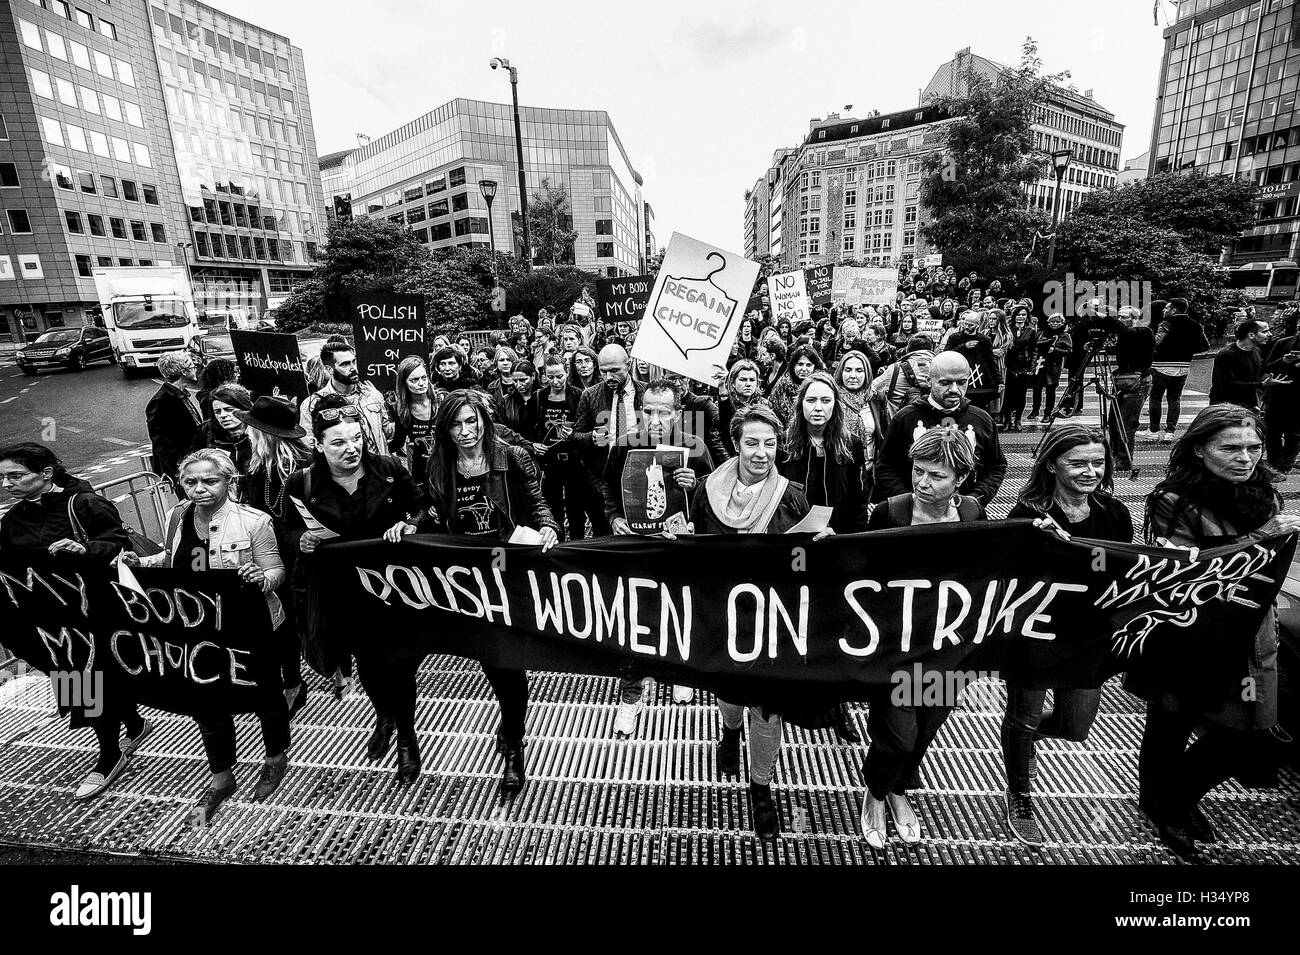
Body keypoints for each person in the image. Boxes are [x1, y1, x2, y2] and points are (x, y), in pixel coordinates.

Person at [1132, 404, 1299, 857]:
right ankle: (1161, 804)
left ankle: (1175, 797)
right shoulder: (1173, 499)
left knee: (1251, 730)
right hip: (1188, 631)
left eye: (1253, 447)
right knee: (1169, 724)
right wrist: (1261, 536)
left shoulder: (1268, 493)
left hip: (1251, 632)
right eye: (1230, 448)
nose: (1245, 458)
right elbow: (1183, 572)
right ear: (1200, 449)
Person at [120, 448, 291, 823]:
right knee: (205, 700)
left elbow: (277, 569)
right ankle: (221, 776)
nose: (199, 489)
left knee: (265, 694)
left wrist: (262, 579)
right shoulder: (177, 515)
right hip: (196, 629)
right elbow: (170, 557)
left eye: (210, 481)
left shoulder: (253, 521)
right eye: (190, 481)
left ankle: (276, 757)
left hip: (251, 625)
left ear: (230, 482)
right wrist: (141, 562)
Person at [688, 405, 832, 840]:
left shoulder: (793, 495)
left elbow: (804, 559)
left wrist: (823, 547)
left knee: (767, 707)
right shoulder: (703, 490)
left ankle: (761, 786)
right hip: (722, 616)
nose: (761, 453)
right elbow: (691, 549)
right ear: (735, 444)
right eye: (752, 442)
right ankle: (730, 732)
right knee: (729, 693)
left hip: (772, 619)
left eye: (770, 443)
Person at [285, 393, 430, 782]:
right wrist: (300, 539)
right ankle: (384, 714)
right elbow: (287, 527)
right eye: (338, 442)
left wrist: (410, 524)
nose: (351, 449)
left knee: (398, 664)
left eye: (356, 439)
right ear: (318, 445)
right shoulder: (302, 482)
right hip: (342, 590)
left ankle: (407, 738)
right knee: (367, 665)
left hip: (391, 586)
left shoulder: (388, 468)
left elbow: (420, 506)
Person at [1000, 425, 1133, 846]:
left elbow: (1124, 570)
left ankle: (1020, 737)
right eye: (1078, 463)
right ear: (1053, 464)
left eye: (1097, 462)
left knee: (1075, 726)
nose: (1090, 471)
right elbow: (1012, 576)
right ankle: (1019, 791)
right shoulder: (1028, 514)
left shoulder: (1114, 512)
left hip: (1088, 635)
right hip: (1036, 634)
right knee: (1023, 716)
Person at [425, 390, 559, 794]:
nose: (465, 432)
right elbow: (430, 509)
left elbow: (537, 503)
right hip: (466, 577)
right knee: (490, 660)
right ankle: (510, 720)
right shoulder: (438, 463)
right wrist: (408, 524)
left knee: (508, 664)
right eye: (455, 424)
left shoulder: (511, 456)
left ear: (483, 419)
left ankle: (514, 745)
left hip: (506, 567)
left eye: (471, 422)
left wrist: (549, 526)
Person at [0, 442, 150, 801]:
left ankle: (109, 756)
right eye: (3, 478)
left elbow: (117, 542)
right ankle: (133, 723)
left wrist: (86, 549)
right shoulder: (11, 519)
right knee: (73, 679)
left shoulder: (83, 503)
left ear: (46, 474)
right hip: (47, 620)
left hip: (95, 613)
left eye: (16, 476)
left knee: (93, 681)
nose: (7, 484)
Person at [860, 427, 985, 847]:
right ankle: (875, 792)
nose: (923, 483)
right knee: (898, 736)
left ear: (961, 479)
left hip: (949, 652)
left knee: (926, 731)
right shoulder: (891, 512)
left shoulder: (971, 513)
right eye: (918, 471)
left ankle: (896, 791)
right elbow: (859, 570)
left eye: (936, 475)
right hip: (893, 649)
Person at [602, 378, 715, 728]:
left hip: (680, 547)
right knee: (637, 615)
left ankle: (680, 671)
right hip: (637, 544)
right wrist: (614, 517)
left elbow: (715, 497)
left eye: (663, 413)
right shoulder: (624, 445)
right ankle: (631, 693)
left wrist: (695, 486)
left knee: (681, 610)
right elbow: (607, 486)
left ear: (678, 414)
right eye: (647, 411)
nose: (654, 420)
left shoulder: (694, 446)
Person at [778, 369, 869, 743]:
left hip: (835, 547)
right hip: (793, 548)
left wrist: (848, 542)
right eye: (811, 400)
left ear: (836, 406)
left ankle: (837, 703)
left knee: (835, 627)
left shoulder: (850, 446)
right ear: (800, 405)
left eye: (825, 401)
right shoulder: (785, 447)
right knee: (796, 621)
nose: (818, 408)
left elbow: (859, 501)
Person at [237, 396, 313, 718]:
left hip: (301, 555)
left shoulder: (307, 466)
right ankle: (290, 682)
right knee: (277, 623)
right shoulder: (254, 465)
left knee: (301, 622)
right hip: (267, 555)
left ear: (264, 433)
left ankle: (319, 677)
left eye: (251, 427)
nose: (246, 431)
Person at [874, 352, 1006, 506]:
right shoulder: (905, 418)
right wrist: (908, 502)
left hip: (962, 516)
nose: (955, 389)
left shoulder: (982, 420)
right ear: (929, 381)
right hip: (914, 516)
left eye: (962, 382)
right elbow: (885, 466)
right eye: (945, 383)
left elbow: (996, 466)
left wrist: (975, 499)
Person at [572, 345, 646, 537]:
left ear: (628, 365)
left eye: (615, 371)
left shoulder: (646, 393)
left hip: (640, 475)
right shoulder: (589, 395)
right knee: (605, 533)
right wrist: (591, 438)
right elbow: (576, 436)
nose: (608, 378)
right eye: (603, 371)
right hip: (603, 478)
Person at [528, 354, 589, 541]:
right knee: (553, 507)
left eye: (559, 376)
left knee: (576, 508)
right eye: (550, 376)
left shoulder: (579, 395)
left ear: (567, 372)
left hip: (574, 461)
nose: (555, 381)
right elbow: (528, 428)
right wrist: (533, 445)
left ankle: (578, 545)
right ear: (544, 375)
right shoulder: (538, 397)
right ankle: (558, 543)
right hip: (549, 462)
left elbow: (587, 427)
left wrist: (573, 435)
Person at [298, 340, 392, 454]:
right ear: (329, 369)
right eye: (345, 364)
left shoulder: (372, 395)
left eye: (354, 361)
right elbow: (309, 446)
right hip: (343, 469)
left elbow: (386, 432)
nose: (353, 368)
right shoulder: (312, 404)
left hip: (377, 467)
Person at [1141, 298, 1210, 443]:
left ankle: (1154, 430)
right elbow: (1205, 346)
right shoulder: (1196, 325)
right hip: (1183, 367)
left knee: (1156, 397)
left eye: (1166, 308)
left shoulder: (1166, 324)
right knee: (1174, 399)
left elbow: (1156, 342)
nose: (1163, 310)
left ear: (1174, 310)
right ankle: (1170, 432)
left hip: (1161, 365)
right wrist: (1187, 350)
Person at [146, 351, 205, 491]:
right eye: (192, 366)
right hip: (186, 469)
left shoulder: (179, 395)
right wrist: (180, 469)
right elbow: (162, 443)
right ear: (184, 372)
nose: (195, 368)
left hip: (195, 463)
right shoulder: (160, 402)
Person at [833, 351, 882, 495]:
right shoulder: (832, 399)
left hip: (868, 473)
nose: (853, 376)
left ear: (867, 373)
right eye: (848, 370)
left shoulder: (875, 399)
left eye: (859, 370)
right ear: (841, 372)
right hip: (839, 474)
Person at [1209, 319, 1278, 410]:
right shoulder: (1227, 355)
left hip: (1247, 406)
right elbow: (1227, 385)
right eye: (1265, 331)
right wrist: (1261, 384)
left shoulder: (1256, 351)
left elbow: (1259, 372)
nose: (1270, 334)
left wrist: (1285, 361)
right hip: (1225, 408)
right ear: (1251, 335)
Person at [388, 356, 436, 484]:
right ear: (404, 383)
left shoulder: (440, 401)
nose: (421, 383)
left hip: (443, 463)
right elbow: (398, 442)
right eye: (414, 380)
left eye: (424, 378)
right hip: (420, 467)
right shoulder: (402, 410)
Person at [1262, 323, 1300, 476]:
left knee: (1295, 434)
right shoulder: (1283, 343)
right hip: (1277, 395)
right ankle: (1273, 464)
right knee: (1272, 432)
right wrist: (1284, 361)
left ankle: (1284, 467)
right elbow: (1267, 367)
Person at [943, 310, 1002, 410]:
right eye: (965, 323)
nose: (966, 327)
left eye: (970, 325)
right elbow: (946, 355)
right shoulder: (955, 337)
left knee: (980, 407)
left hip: (980, 379)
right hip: (960, 376)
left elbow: (991, 360)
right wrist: (964, 347)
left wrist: (999, 381)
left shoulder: (985, 339)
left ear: (978, 324)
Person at [193, 383, 253, 474]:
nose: (223, 415)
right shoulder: (206, 431)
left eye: (229, 409)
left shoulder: (260, 434)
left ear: (245, 408)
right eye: (217, 411)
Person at [718, 360, 772, 458]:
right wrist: (730, 461)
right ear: (733, 383)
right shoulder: (723, 403)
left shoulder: (765, 405)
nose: (748, 384)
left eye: (752, 380)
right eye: (743, 379)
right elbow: (719, 438)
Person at [1027, 313, 1072, 422]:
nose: (1055, 324)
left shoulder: (1065, 335)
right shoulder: (1041, 333)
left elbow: (1069, 351)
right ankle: (1035, 410)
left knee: (1050, 389)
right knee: (1037, 388)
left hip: (1053, 365)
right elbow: (1033, 346)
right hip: (1040, 363)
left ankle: (1048, 412)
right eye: (1053, 321)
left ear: (1062, 323)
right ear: (1048, 322)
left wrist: (1055, 351)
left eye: (1058, 322)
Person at [1000, 307, 1038, 432]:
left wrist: (1032, 368)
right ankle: (1007, 419)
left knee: (1021, 395)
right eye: (1019, 314)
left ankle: (1018, 420)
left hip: (1023, 366)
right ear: (1014, 316)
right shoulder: (1008, 330)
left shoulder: (1031, 331)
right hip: (1010, 366)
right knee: (1008, 395)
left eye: (1023, 314)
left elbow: (1034, 350)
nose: (1021, 317)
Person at [769, 343, 824, 426]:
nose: (804, 369)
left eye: (808, 365)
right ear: (794, 365)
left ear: (815, 367)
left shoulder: (821, 386)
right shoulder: (783, 385)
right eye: (800, 364)